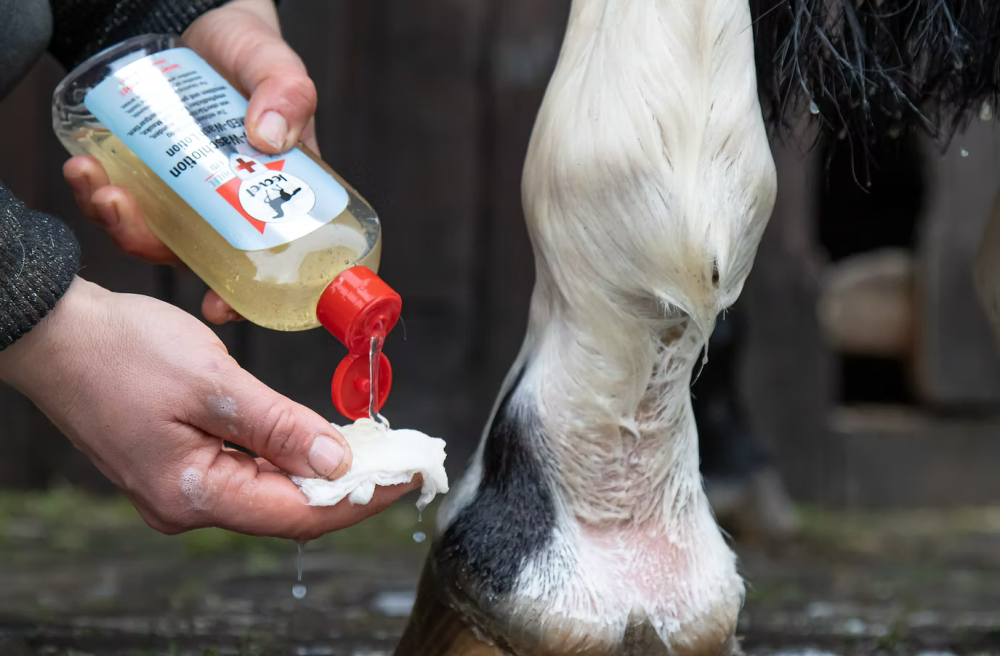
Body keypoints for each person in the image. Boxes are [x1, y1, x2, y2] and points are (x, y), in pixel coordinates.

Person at [0, 0, 418, 540]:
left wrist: (163, 15)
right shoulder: (342, 246)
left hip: (146, 80)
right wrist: (34, 313)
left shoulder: (351, 241)